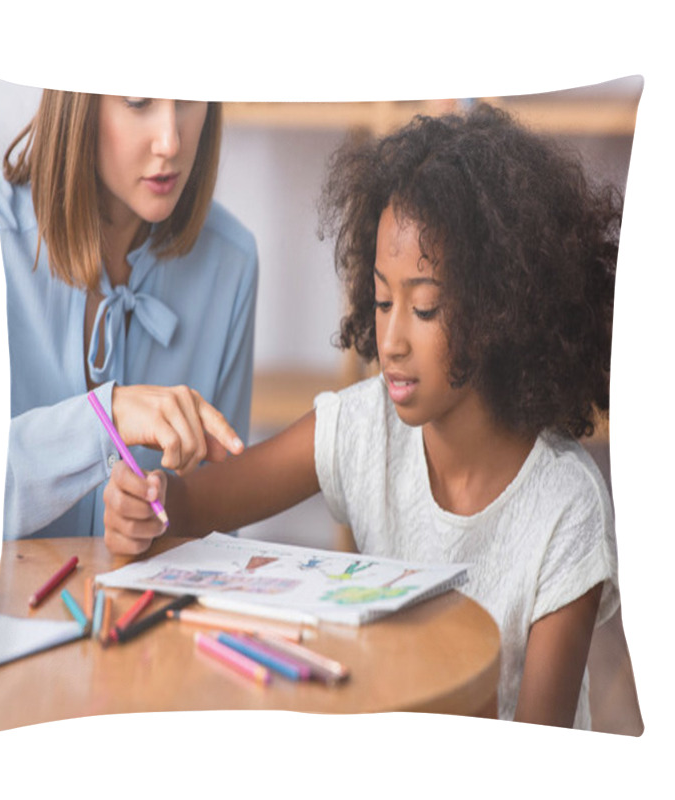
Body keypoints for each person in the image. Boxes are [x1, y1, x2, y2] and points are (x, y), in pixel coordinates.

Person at [102, 104, 622, 728]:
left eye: (425, 308)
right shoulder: (363, 427)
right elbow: (189, 508)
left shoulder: (566, 507)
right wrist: (148, 504)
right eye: (381, 300)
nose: (392, 341)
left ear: (501, 311)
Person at [0, 91, 258, 539]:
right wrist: (107, 416)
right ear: (79, 103)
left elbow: (218, 526)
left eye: (191, 97)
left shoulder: (232, 261)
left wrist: (156, 526)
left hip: (147, 609)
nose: (171, 142)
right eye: (139, 102)